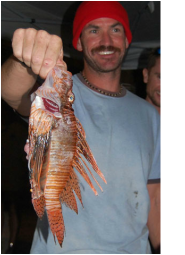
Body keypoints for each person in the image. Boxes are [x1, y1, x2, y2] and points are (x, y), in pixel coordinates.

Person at [2, 1, 161, 252]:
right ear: (78, 42)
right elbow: (11, 92)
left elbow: (154, 198)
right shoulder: (58, 92)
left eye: (116, 30)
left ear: (127, 40)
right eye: (94, 30)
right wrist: (24, 60)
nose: (106, 40)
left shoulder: (150, 116)